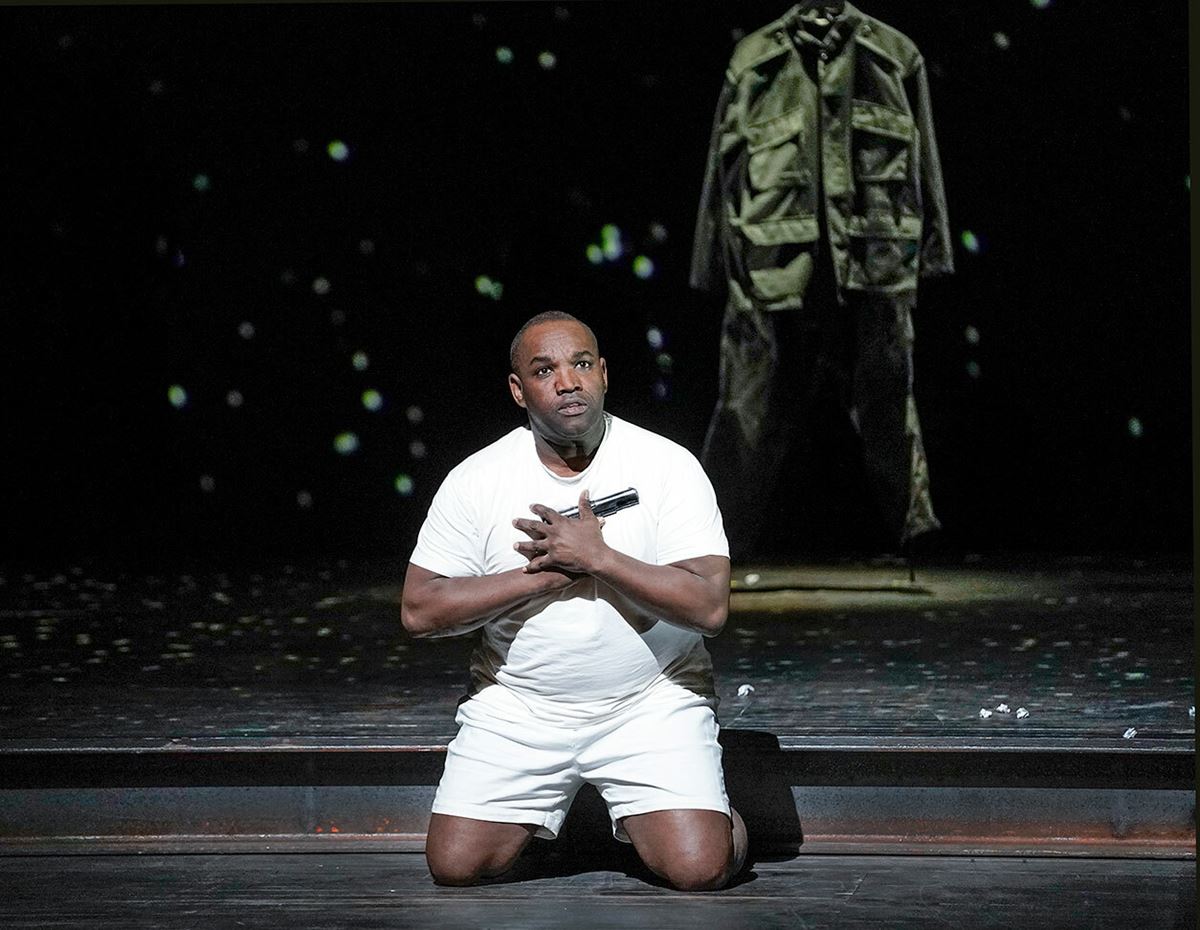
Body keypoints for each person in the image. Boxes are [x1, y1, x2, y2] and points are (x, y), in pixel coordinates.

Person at [400, 311, 748, 891]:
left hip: (650, 700)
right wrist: (544, 576)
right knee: (455, 865)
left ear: (603, 374)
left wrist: (600, 560)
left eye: (581, 364)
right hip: (520, 706)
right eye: (545, 371)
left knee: (698, 867)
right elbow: (419, 610)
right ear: (519, 391)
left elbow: (709, 607)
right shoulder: (477, 478)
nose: (567, 382)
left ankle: (713, 814)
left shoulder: (667, 465)